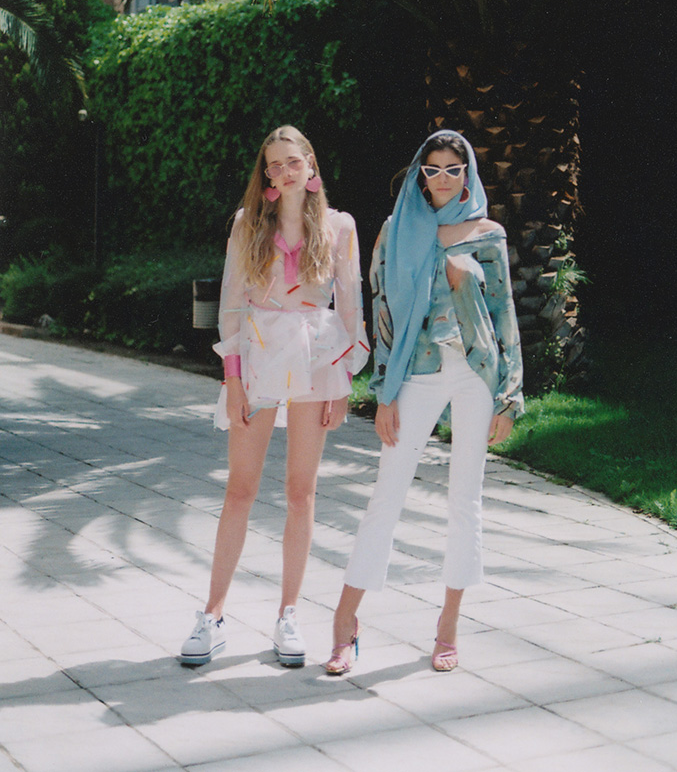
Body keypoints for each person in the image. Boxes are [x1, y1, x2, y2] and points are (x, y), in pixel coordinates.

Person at [325, 129, 524, 675]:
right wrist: (384, 392)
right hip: (416, 372)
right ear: (419, 174)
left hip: (476, 375)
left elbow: (504, 313)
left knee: (466, 499)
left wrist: (509, 397)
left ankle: (448, 627)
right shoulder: (398, 229)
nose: (442, 179)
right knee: (386, 494)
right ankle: (345, 622)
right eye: (432, 169)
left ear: (468, 174)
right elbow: (384, 309)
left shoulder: (488, 233)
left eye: (452, 170)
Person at [179, 125, 369, 667]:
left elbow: (350, 307)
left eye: (292, 161)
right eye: (274, 165)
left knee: (300, 491)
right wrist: (233, 381)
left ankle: (289, 614)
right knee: (240, 489)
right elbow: (232, 305)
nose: (283, 172)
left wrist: (344, 382)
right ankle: (213, 614)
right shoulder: (248, 225)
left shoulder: (339, 227)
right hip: (258, 357)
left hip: (316, 360)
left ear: (311, 166)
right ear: (266, 175)